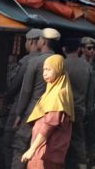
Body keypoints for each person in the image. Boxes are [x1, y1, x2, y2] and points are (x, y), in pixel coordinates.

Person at [11, 28, 61, 169]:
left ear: (43, 41)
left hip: (33, 110)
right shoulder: (59, 61)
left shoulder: (35, 61)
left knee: (20, 147)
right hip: (51, 112)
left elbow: (26, 91)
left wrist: (19, 114)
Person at [21, 55, 75, 169]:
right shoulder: (53, 90)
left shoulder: (58, 95)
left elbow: (48, 126)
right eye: (44, 69)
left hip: (46, 154)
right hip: (45, 152)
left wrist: (32, 149)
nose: (45, 73)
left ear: (59, 69)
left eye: (49, 69)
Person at [4, 28, 42, 169]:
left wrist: (11, 65)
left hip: (22, 109)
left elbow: (13, 85)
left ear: (31, 41)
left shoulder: (27, 61)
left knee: (11, 144)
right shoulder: (51, 60)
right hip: (41, 110)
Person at [63, 38, 93, 169]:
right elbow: (91, 93)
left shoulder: (62, 64)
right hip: (80, 107)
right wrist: (88, 109)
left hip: (63, 108)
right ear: (79, 49)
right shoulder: (87, 66)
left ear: (65, 49)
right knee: (79, 137)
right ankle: (82, 163)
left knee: (61, 137)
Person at [80, 37, 95, 164]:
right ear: (82, 49)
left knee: (91, 130)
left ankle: (92, 152)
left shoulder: (92, 63)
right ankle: (83, 157)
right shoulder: (81, 64)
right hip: (82, 103)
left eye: (93, 48)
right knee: (81, 132)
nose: (92, 51)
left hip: (92, 102)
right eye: (89, 48)